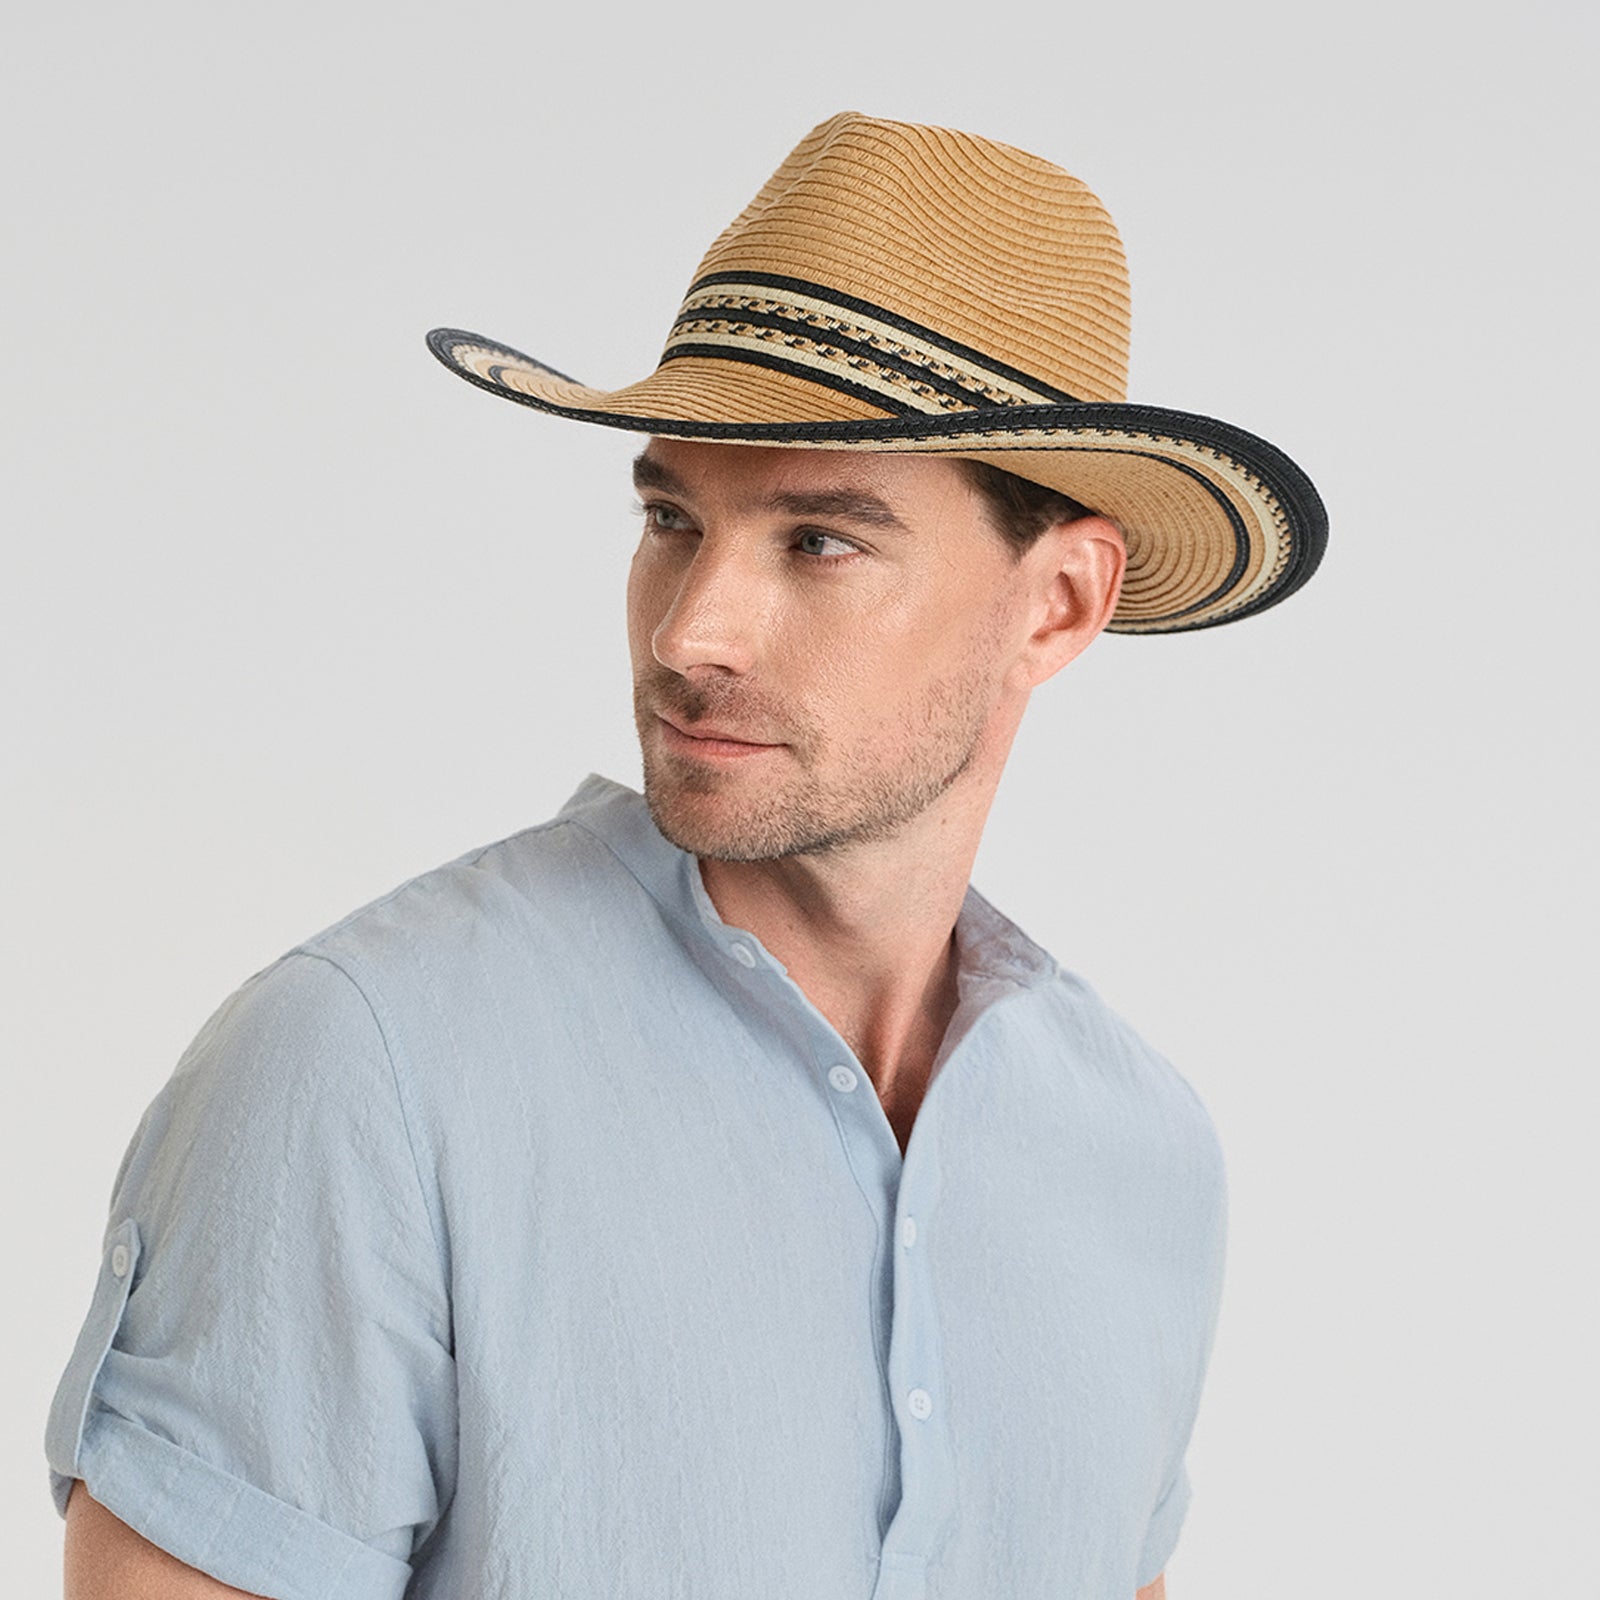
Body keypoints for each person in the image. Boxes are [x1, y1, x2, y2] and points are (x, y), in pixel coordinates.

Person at [48, 112, 1325, 1600]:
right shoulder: (366, 1071)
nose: (689, 630)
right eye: (670, 517)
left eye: (819, 541)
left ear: (1058, 603)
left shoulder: (1140, 1158)